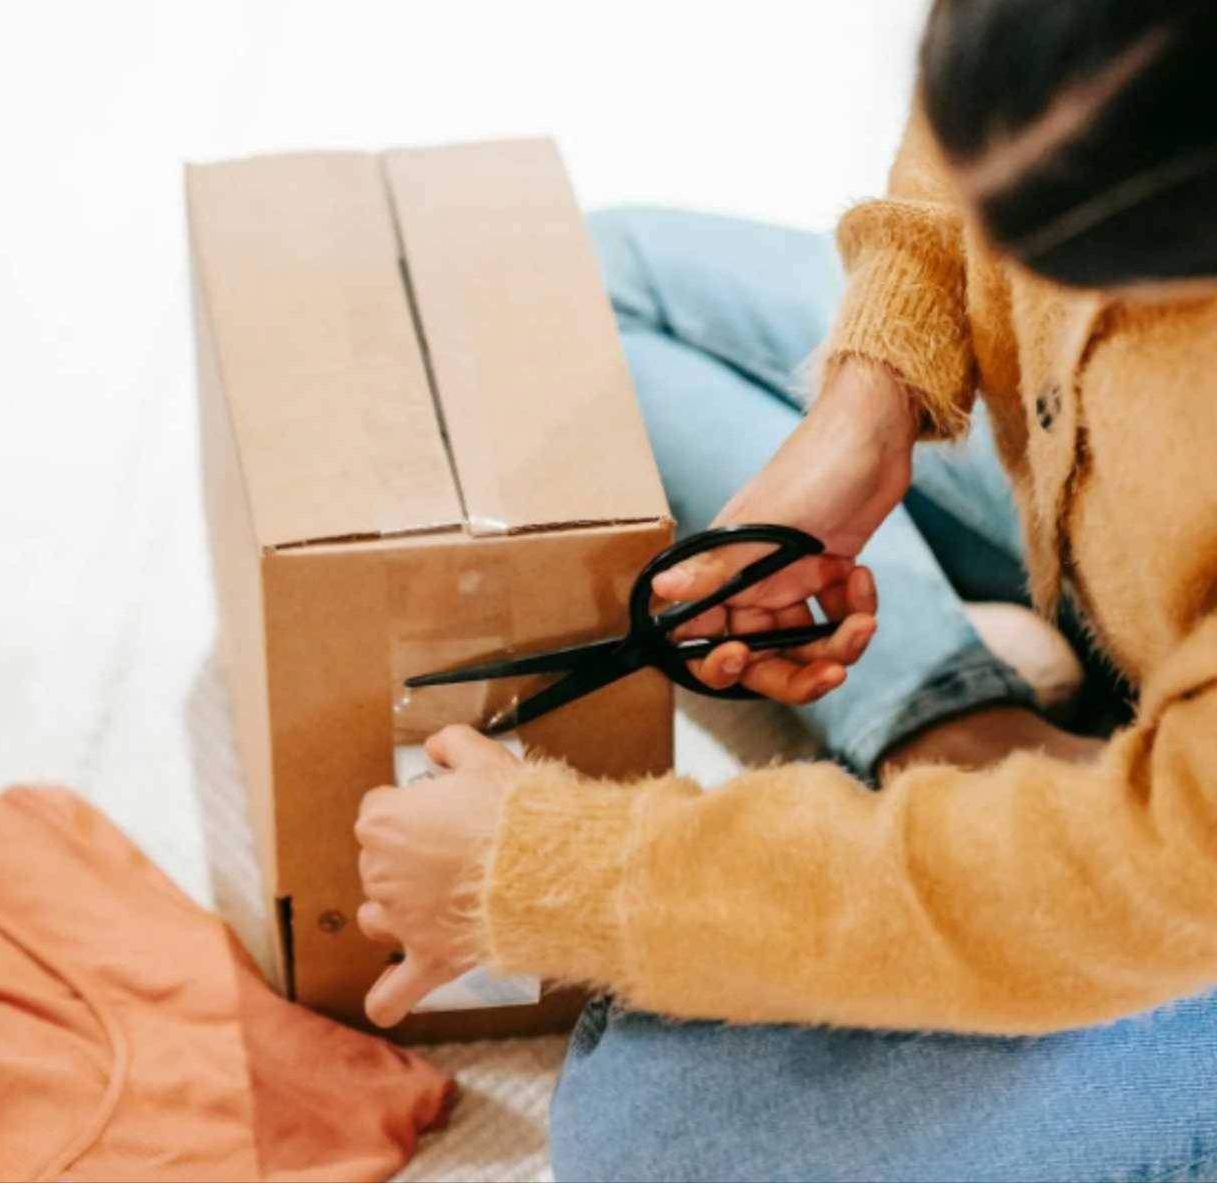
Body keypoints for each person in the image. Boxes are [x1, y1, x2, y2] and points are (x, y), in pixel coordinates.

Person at [356, 2, 1217, 1179]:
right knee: (579, 294)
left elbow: (1137, 886)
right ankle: (965, 729)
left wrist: (553, 874)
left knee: (658, 1137)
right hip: (1141, 585)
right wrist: (873, 396)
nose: (1013, 270)